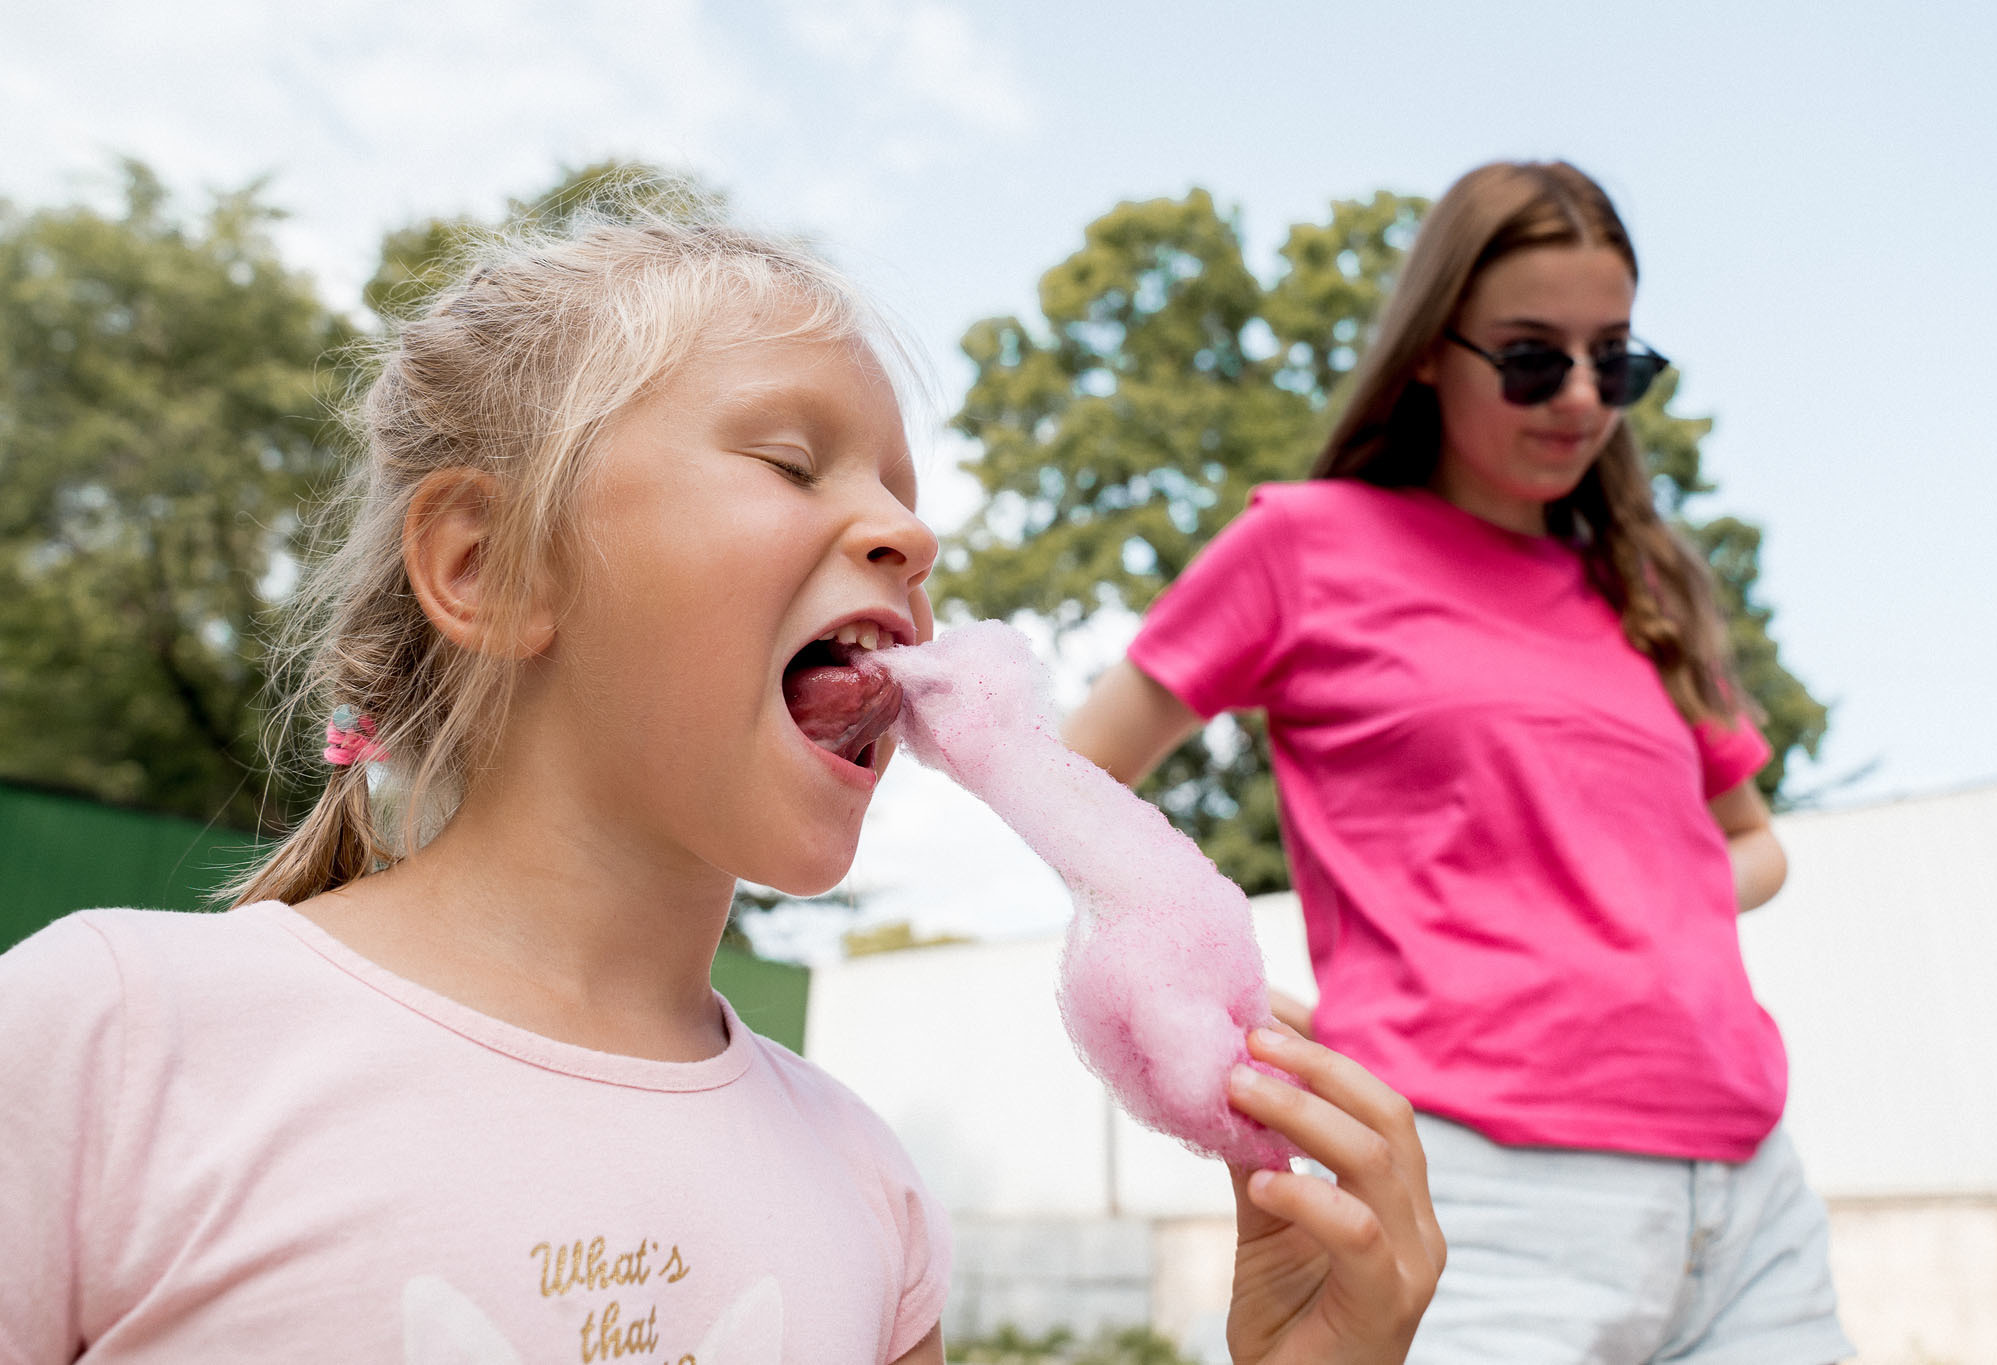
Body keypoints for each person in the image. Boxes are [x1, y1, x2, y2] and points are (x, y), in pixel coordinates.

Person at [0, 209, 1440, 1362]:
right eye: (792, 460)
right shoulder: (111, 1041)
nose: (909, 535)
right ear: (487, 569)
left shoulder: (863, 1183)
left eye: (903, 492)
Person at [1063, 161, 1854, 1364]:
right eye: (1534, 358)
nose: (1582, 397)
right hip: (1473, 1183)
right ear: (1431, 348)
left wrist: (1635, 880)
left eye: (1616, 359)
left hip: (1746, 1196)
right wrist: (1195, 988)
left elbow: (1754, 845)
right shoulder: (1300, 547)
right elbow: (1077, 776)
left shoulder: (1642, 587)